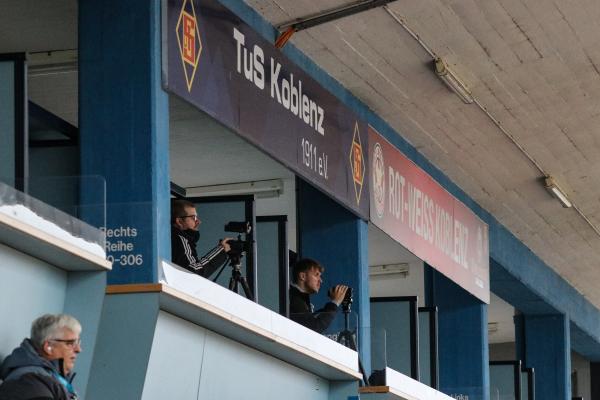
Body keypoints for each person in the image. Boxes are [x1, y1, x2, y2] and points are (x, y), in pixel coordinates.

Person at [0, 314, 82, 400]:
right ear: (48, 347)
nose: (78, 349)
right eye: (70, 343)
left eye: (78, 343)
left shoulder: (49, 379)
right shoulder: (30, 382)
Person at [171, 199, 231, 277]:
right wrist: (221, 250)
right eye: (193, 218)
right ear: (179, 221)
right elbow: (195, 273)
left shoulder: (172, 236)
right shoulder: (180, 239)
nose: (198, 221)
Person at [289, 258, 348, 333]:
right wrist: (335, 303)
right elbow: (314, 327)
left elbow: (309, 321)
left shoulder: (300, 298)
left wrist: (330, 306)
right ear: (302, 276)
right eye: (316, 275)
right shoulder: (293, 298)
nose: (320, 280)